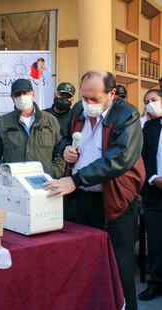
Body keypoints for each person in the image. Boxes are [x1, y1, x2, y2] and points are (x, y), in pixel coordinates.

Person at [44, 71, 145, 310]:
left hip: (114, 204)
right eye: (84, 97)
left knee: (119, 271)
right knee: (82, 265)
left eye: (94, 99)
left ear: (111, 93)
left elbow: (118, 159)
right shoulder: (79, 110)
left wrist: (76, 180)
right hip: (80, 200)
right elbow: (65, 137)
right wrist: (66, 148)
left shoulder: (127, 115)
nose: (88, 103)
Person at [0, 78, 65, 178]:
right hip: (14, 184)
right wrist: (4, 173)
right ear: (12, 98)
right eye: (17, 94)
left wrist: (54, 173)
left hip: (45, 184)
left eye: (26, 93)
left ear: (33, 94)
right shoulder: (2, 122)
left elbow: (60, 151)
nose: (22, 97)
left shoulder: (50, 121)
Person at [139, 89, 162, 301]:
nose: (149, 105)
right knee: (156, 243)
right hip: (155, 195)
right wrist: (154, 178)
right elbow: (142, 157)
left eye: (154, 100)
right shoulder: (149, 127)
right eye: (146, 102)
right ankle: (155, 284)